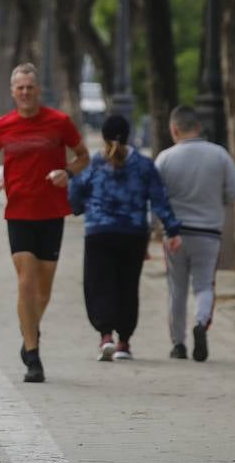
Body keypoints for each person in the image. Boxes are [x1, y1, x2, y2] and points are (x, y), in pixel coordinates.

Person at [0, 62, 90, 382]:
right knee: (26, 281)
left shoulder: (59, 122)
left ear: (38, 90)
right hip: (19, 213)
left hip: (52, 213)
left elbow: (84, 156)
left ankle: (30, 329)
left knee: (43, 290)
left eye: (30, 87)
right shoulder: (3, 125)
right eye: (20, 88)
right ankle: (33, 355)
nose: (25, 93)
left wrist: (66, 173)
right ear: (12, 92)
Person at [69, 114, 182, 361]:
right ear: (129, 134)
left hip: (99, 232)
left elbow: (75, 191)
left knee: (98, 284)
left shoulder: (95, 163)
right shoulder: (142, 165)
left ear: (103, 136)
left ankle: (105, 335)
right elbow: (160, 199)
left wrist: (79, 207)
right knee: (127, 286)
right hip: (132, 234)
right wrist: (172, 230)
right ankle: (124, 343)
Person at [154, 105, 235, 361]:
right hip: (209, 233)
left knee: (177, 289)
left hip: (175, 234)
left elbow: (157, 196)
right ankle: (201, 323)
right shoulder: (220, 155)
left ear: (174, 129)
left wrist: (157, 226)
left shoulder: (165, 158)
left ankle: (178, 344)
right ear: (199, 127)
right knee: (204, 285)